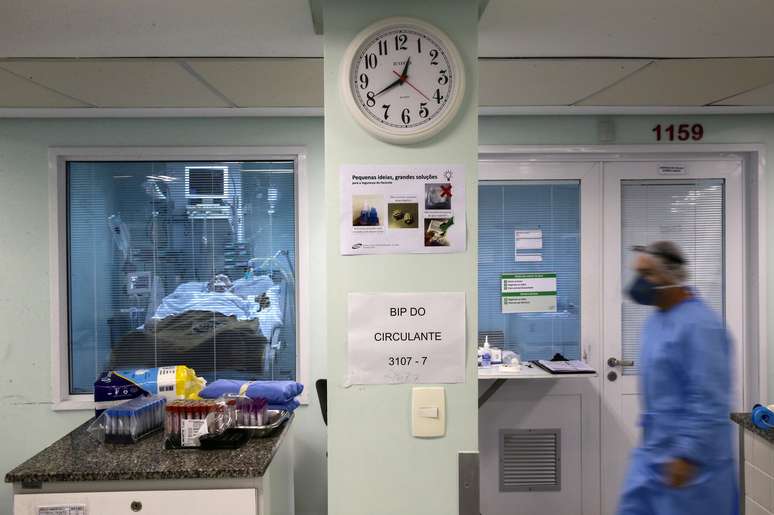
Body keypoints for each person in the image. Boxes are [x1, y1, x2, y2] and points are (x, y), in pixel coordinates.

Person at [616, 241, 738, 515]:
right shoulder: (655, 321)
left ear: (669, 276)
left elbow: (711, 398)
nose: (638, 283)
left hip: (693, 464)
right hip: (653, 452)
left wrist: (689, 454)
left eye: (646, 274)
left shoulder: (701, 326)